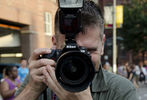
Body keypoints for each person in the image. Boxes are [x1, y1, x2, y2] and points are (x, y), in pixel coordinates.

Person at [14, 1, 137, 100]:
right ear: (54, 44)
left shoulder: (121, 90)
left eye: (88, 51)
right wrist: (32, 90)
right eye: (68, 52)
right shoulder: (40, 78)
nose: (79, 59)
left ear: (102, 44)